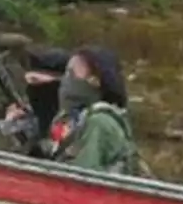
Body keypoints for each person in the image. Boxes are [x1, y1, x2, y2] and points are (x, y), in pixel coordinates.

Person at [46, 45, 140, 175]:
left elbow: (82, 178)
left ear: (94, 81)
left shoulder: (100, 122)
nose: (66, 80)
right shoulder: (74, 121)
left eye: (73, 73)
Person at [2, 46, 70, 157]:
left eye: (37, 81)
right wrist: (9, 124)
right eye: (30, 81)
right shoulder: (29, 119)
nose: (33, 88)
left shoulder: (75, 123)